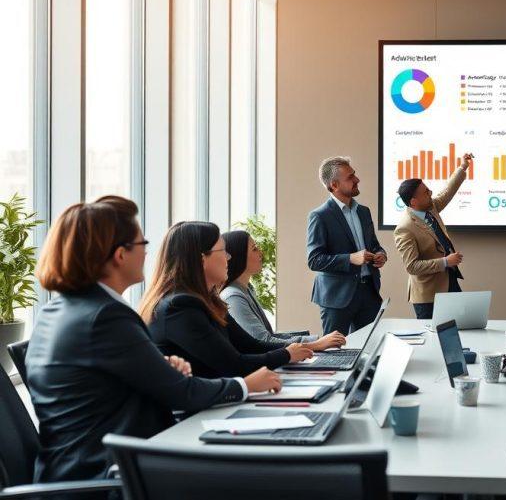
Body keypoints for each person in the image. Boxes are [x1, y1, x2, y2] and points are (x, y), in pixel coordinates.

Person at [27, 196, 280, 487]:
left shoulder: (56, 311)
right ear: (120, 255)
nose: (148, 252)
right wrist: (245, 385)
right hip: (109, 478)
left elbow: (100, 387)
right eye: (142, 243)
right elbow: (182, 393)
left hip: (79, 471)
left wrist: (159, 367)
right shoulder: (106, 315)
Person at [140, 221, 314, 379]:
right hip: (201, 403)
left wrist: (298, 349)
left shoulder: (208, 300)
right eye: (223, 251)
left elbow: (250, 345)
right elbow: (234, 365)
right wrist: (287, 354)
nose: (229, 258)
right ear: (202, 259)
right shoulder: (180, 307)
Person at [220, 230, 347, 349]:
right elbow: (264, 341)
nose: (260, 252)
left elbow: (269, 336)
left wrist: (316, 340)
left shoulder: (246, 289)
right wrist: (316, 344)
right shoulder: (233, 297)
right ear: (239, 256)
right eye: (254, 249)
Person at [307, 156, 387, 334]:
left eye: (354, 175)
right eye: (350, 177)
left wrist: (381, 254)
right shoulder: (319, 216)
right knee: (335, 348)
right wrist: (351, 258)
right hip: (337, 297)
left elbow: (374, 245)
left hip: (369, 293)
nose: (357, 179)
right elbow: (314, 260)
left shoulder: (364, 212)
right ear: (334, 185)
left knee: (369, 346)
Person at [392, 153, 473, 319]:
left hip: (449, 282)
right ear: (413, 202)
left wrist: (463, 167)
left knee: (460, 328)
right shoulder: (405, 228)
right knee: (434, 335)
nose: (431, 193)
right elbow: (412, 266)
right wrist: (445, 262)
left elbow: (447, 191)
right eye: (426, 192)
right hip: (428, 296)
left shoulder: (430, 208)